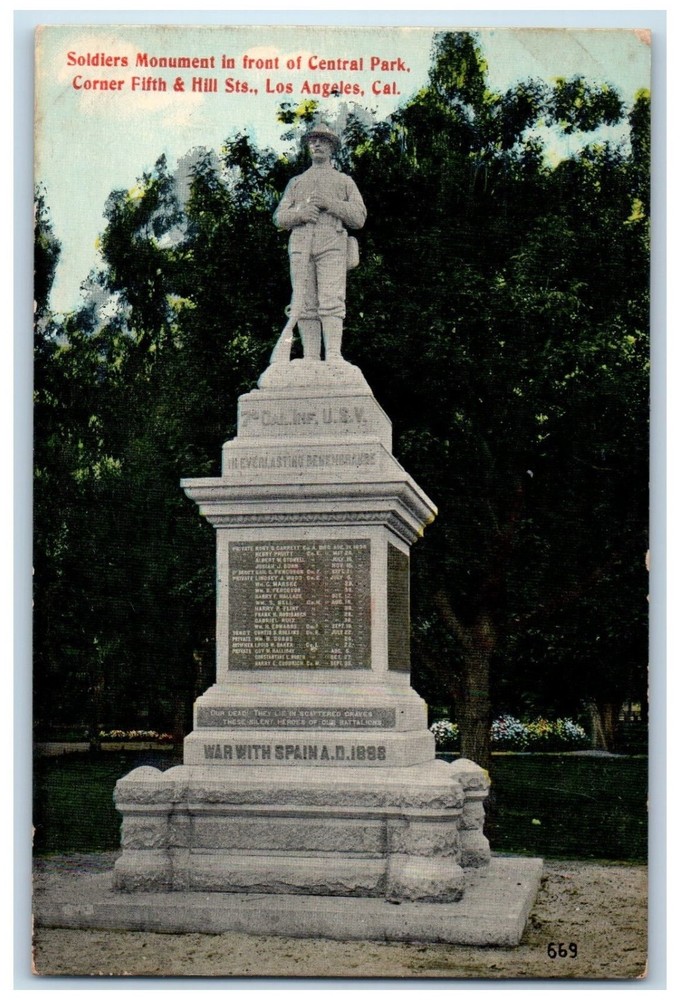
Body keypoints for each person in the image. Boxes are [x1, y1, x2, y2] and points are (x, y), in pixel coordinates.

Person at [272, 122, 367, 362]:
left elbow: (359, 217)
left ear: (332, 147)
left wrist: (330, 203)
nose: (317, 144)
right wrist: (300, 214)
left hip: (331, 243)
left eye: (323, 140)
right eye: (313, 140)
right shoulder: (296, 183)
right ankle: (311, 356)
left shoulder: (343, 181)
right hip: (301, 245)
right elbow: (279, 218)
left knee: (332, 299)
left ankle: (333, 354)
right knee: (303, 303)